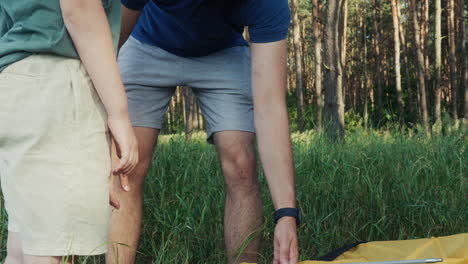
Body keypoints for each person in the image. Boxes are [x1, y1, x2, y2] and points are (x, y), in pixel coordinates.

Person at [109, 0, 300, 263]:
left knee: (241, 163)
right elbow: (107, 47)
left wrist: (286, 214)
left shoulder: (267, 4)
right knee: (128, 166)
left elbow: (270, 106)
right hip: (145, 43)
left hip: (223, 51)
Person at [0, 0, 138, 263]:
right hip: (56, 86)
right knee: (50, 250)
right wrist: (118, 112)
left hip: (16, 81)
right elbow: (80, 7)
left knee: (23, 247)